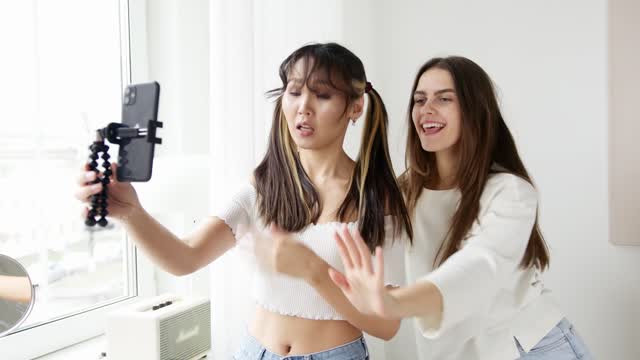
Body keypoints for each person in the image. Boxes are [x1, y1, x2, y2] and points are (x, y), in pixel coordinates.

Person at [75, 42, 411, 360]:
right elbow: (185, 257)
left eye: (322, 95)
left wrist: (313, 269)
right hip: (254, 351)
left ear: (356, 107)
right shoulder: (263, 185)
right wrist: (132, 213)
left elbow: (387, 325)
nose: (303, 107)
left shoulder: (378, 198)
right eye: (293, 92)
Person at [329, 56, 594, 359]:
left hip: (528, 348)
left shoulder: (510, 192)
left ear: (475, 111)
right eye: (419, 99)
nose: (426, 109)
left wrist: (395, 302)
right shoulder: (405, 193)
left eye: (444, 99)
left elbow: (479, 267)